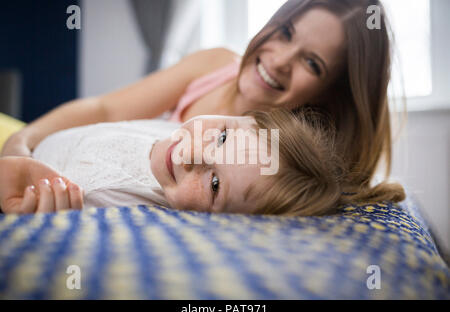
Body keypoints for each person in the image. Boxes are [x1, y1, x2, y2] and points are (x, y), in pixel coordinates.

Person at [1, 0, 404, 202]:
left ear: (329, 94)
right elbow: (103, 109)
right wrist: (22, 141)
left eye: (312, 63)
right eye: (284, 32)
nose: (279, 61)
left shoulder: (283, 167)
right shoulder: (215, 64)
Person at [0, 109, 357, 216]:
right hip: (20, 135)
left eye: (215, 184)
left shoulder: (113, 201)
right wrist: (20, 143)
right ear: (237, 116)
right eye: (222, 138)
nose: (190, 155)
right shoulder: (169, 130)